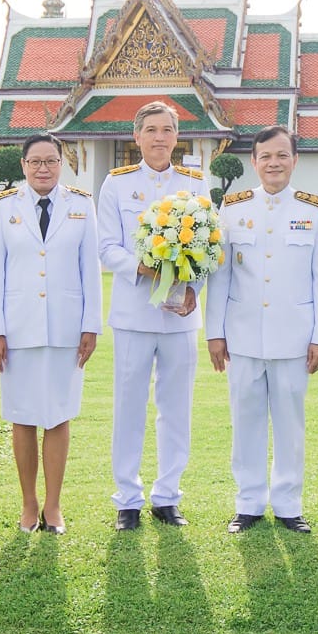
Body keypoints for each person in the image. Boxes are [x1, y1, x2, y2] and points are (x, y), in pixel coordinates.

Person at [204, 125, 318, 534]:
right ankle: (248, 502)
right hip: (243, 334)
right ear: (253, 162)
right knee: (246, 420)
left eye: (282, 155)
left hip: (295, 336)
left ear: (295, 160)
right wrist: (214, 332)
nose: (274, 163)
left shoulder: (314, 209)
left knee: (290, 423)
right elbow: (220, 276)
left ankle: (288, 503)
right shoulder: (234, 206)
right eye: (266, 156)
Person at [0, 133, 101, 534]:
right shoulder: (3, 208)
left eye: (50, 161)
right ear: (23, 166)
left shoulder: (81, 205)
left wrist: (90, 325)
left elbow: (91, 271)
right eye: (35, 162)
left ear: (61, 163)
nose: (43, 168)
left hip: (67, 327)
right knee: (22, 418)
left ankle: (53, 505)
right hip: (17, 328)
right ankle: (29, 503)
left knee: (58, 416)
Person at [95, 101, 205, 530]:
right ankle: (127, 497)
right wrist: (142, 267)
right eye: (151, 130)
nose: (159, 138)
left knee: (176, 406)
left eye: (167, 130)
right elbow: (107, 247)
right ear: (136, 136)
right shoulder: (117, 184)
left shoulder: (195, 183)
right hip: (134, 312)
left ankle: (167, 496)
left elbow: (210, 243)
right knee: (129, 405)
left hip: (179, 316)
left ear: (177, 137)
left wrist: (194, 286)